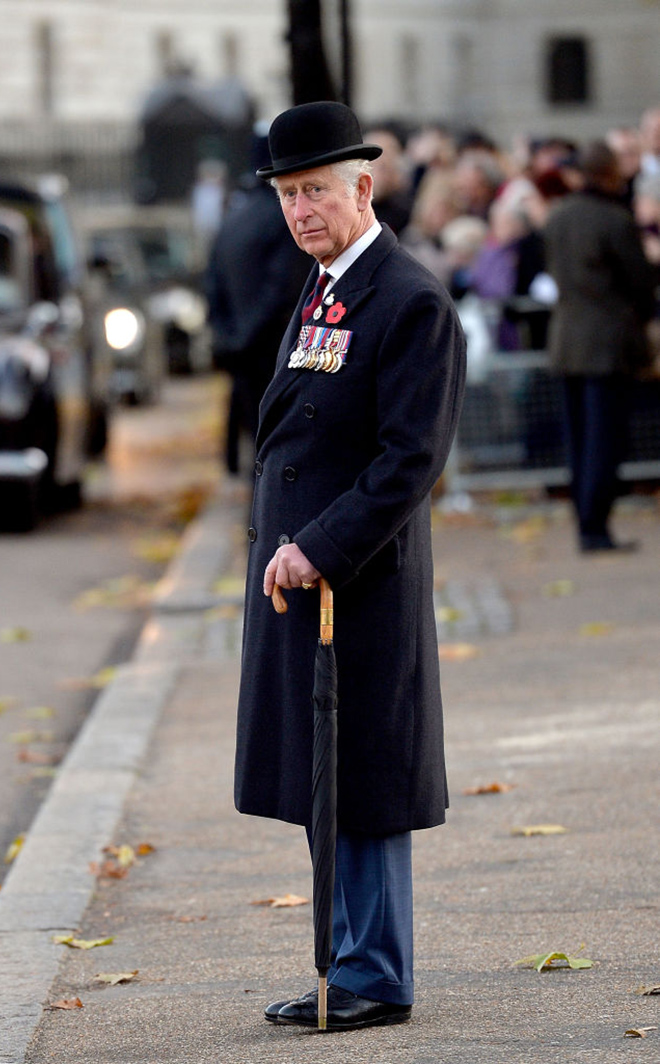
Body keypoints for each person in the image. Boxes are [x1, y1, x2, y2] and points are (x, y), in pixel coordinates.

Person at [234, 101, 467, 1031]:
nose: (300, 211)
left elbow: (409, 461)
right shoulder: (326, 285)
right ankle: (341, 965)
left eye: (316, 191)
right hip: (303, 582)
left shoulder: (408, 299)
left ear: (362, 187)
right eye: (289, 195)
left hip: (355, 583)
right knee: (320, 778)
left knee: (364, 780)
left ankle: (374, 971)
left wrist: (316, 546)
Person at [544, 140, 656, 552]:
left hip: (566, 338)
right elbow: (640, 284)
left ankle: (586, 523)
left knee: (578, 440)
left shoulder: (558, 219)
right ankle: (596, 528)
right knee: (603, 439)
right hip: (607, 342)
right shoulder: (614, 219)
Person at [206, 129, 308, 475]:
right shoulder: (281, 218)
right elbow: (281, 288)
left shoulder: (233, 218)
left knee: (259, 443)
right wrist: (249, 335)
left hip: (242, 346)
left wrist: (229, 336)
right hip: (273, 346)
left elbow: (213, 284)